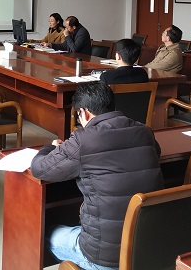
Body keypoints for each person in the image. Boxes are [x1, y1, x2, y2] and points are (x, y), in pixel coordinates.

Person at [30, 82, 163, 270]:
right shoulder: (144, 130)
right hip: (145, 247)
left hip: (103, 257)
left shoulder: (83, 139)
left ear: (84, 113)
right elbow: (156, 152)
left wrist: (50, 147)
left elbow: (40, 168)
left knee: (45, 232)